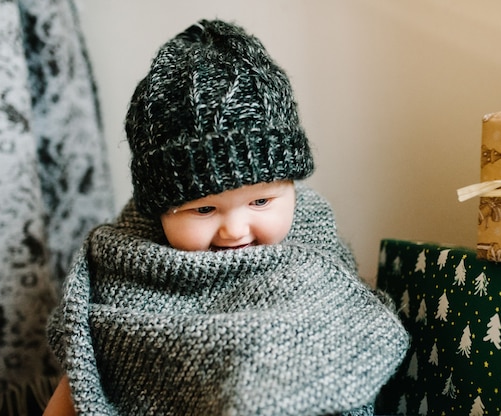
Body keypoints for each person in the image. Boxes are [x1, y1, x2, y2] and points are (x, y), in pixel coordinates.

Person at [44, 19, 409, 416]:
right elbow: (82, 382)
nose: (234, 230)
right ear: (158, 209)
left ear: (290, 186)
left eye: (261, 202)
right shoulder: (123, 269)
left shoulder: (313, 258)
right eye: (203, 209)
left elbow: (346, 338)